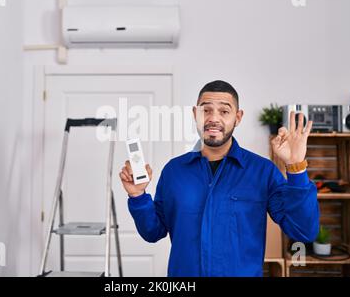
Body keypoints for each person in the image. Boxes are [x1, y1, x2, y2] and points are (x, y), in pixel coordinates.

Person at [119, 80, 319, 276]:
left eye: (224, 111)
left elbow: (302, 232)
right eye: (206, 110)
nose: (213, 118)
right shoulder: (174, 171)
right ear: (195, 114)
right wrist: (138, 196)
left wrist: (296, 169)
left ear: (238, 117)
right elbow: (152, 232)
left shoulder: (262, 171)